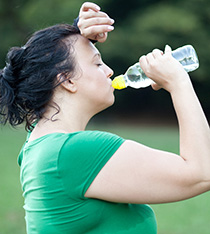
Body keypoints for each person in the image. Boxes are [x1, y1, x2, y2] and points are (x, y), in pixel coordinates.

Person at [0, 2, 210, 234]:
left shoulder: (38, 145)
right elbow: (202, 173)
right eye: (97, 63)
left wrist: (76, 32)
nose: (109, 71)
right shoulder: (75, 151)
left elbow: (41, 62)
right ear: (67, 81)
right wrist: (178, 82)